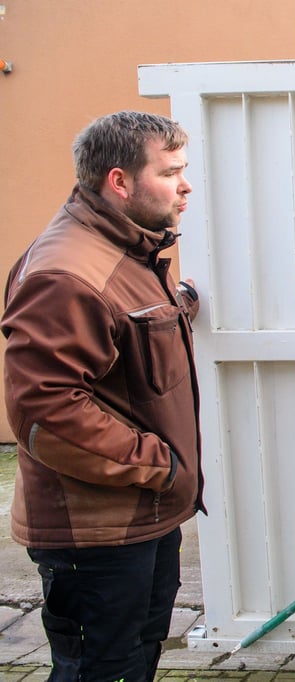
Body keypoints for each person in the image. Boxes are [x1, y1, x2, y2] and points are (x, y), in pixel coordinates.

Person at [2, 110, 204, 681]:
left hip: (142, 516)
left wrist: (183, 304)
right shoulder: (66, 273)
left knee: (136, 658)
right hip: (95, 535)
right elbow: (45, 412)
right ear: (119, 181)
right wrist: (160, 466)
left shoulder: (127, 250)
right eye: (170, 172)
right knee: (102, 669)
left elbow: (127, 327)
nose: (186, 185)